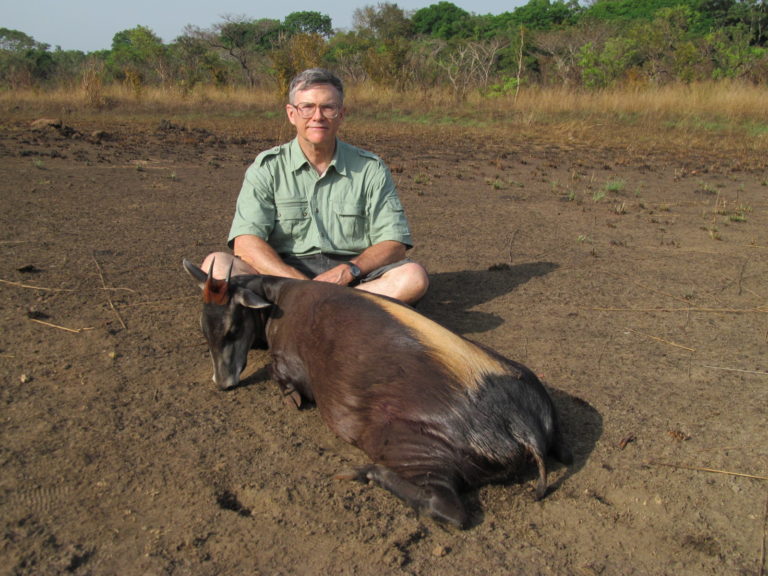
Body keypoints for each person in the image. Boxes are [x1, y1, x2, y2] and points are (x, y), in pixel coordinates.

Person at [202, 68, 428, 305]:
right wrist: (300, 285)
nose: (317, 116)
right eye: (307, 107)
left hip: (355, 278)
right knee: (216, 266)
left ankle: (298, 313)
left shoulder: (370, 168)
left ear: (341, 114)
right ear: (291, 114)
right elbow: (246, 242)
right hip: (284, 276)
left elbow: (394, 243)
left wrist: (350, 270)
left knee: (412, 278)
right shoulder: (267, 167)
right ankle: (340, 311)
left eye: (328, 107)